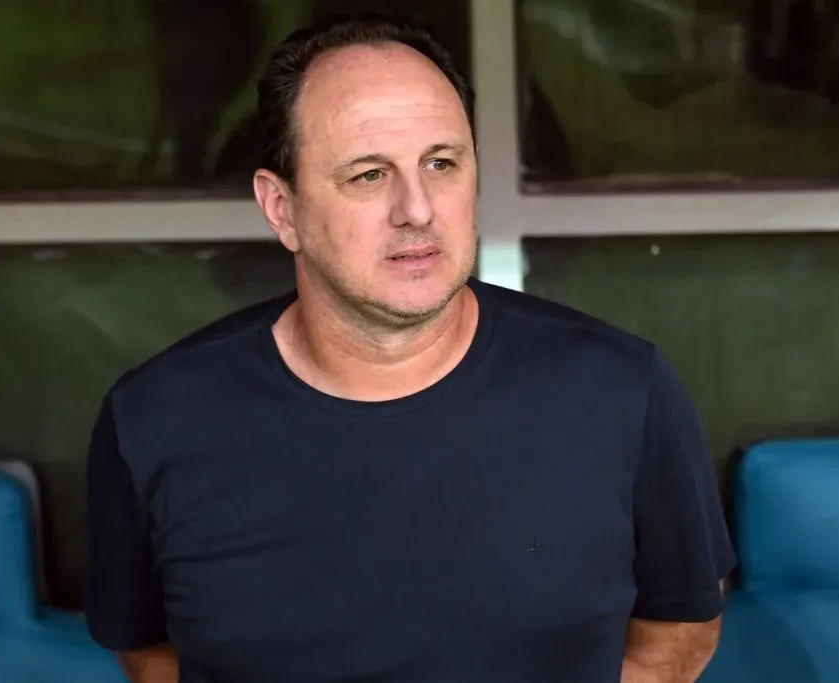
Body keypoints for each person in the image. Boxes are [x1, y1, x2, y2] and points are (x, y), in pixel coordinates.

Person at [85, 13, 735, 683]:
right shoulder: (156, 420)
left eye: (442, 163)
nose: (418, 208)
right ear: (282, 208)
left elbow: (677, 637)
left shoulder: (621, 390)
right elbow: (151, 655)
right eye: (369, 175)